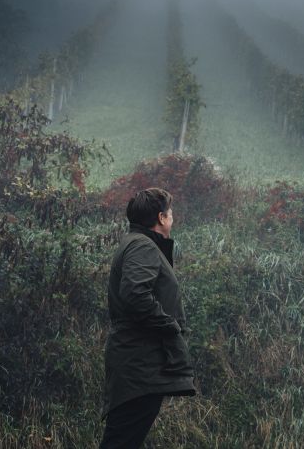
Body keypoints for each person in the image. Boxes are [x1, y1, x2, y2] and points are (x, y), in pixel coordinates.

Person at [100, 188, 196, 449]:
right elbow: (135, 294)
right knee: (121, 442)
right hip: (139, 364)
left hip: (139, 362)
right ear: (161, 218)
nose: (173, 219)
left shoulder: (138, 243)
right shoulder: (142, 245)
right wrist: (170, 326)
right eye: (171, 213)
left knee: (125, 440)